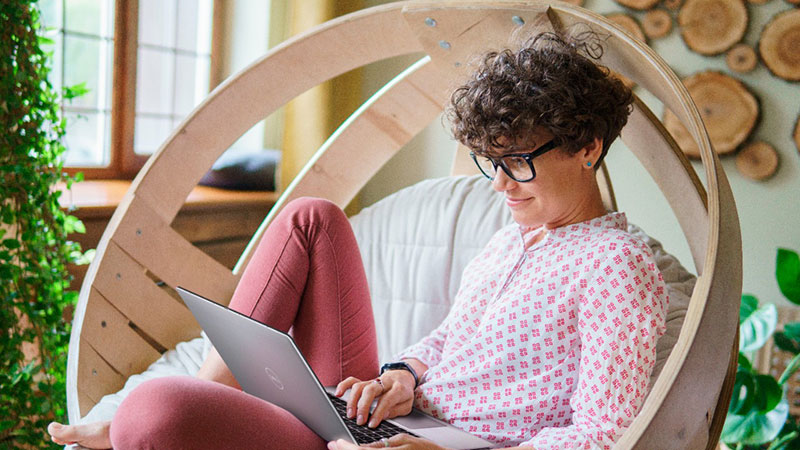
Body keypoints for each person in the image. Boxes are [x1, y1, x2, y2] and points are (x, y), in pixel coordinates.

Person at [48, 31, 667, 450]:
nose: (501, 183)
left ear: (588, 146)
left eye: (519, 161)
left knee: (152, 412)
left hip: (433, 444)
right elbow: (450, 339)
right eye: (490, 161)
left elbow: (602, 436)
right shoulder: (513, 240)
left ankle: (187, 412)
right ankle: (216, 391)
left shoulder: (618, 264)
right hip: (383, 417)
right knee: (310, 218)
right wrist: (401, 374)